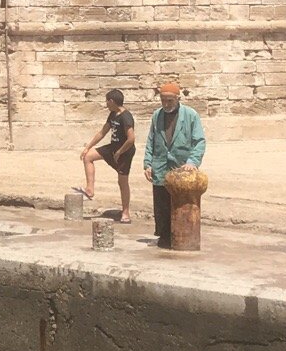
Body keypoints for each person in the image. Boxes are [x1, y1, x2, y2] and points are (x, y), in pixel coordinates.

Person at [143, 80, 206, 248]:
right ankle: (163, 236)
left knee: (179, 203)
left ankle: (179, 235)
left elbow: (199, 141)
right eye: (163, 100)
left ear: (178, 99)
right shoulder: (157, 115)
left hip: (181, 166)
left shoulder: (191, 115)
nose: (166, 104)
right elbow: (151, 140)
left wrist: (192, 162)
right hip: (161, 164)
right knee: (161, 203)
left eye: (170, 100)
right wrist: (147, 163)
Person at [76, 88, 136, 224]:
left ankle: (125, 212)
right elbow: (102, 132)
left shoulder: (126, 116)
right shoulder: (113, 114)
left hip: (124, 152)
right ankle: (90, 189)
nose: (106, 105)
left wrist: (120, 152)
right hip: (112, 148)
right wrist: (87, 147)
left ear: (112, 101)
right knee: (88, 157)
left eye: (107, 102)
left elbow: (131, 138)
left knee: (122, 182)